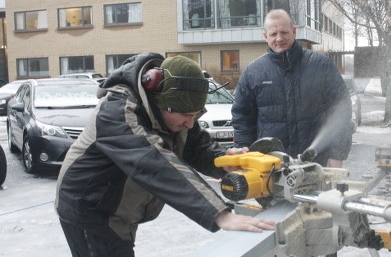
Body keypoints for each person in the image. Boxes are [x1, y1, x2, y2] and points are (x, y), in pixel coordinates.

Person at [55, 53, 275, 257]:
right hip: (89, 208)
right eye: (186, 116)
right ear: (163, 105)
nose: (191, 123)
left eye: (195, 116)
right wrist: (220, 214)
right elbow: (155, 165)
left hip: (118, 209)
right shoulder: (117, 113)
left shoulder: (172, 109)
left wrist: (225, 161)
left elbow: (196, 147)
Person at [231, 9, 353, 168]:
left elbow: (341, 110)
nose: (279, 38)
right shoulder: (253, 72)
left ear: (294, 32)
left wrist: (337, 155)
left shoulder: (321, 65)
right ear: (265, 36)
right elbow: (242, 119)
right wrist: (245, 157)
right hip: (270, 170)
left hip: (318, 165)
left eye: (284, 32)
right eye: (273, 34)